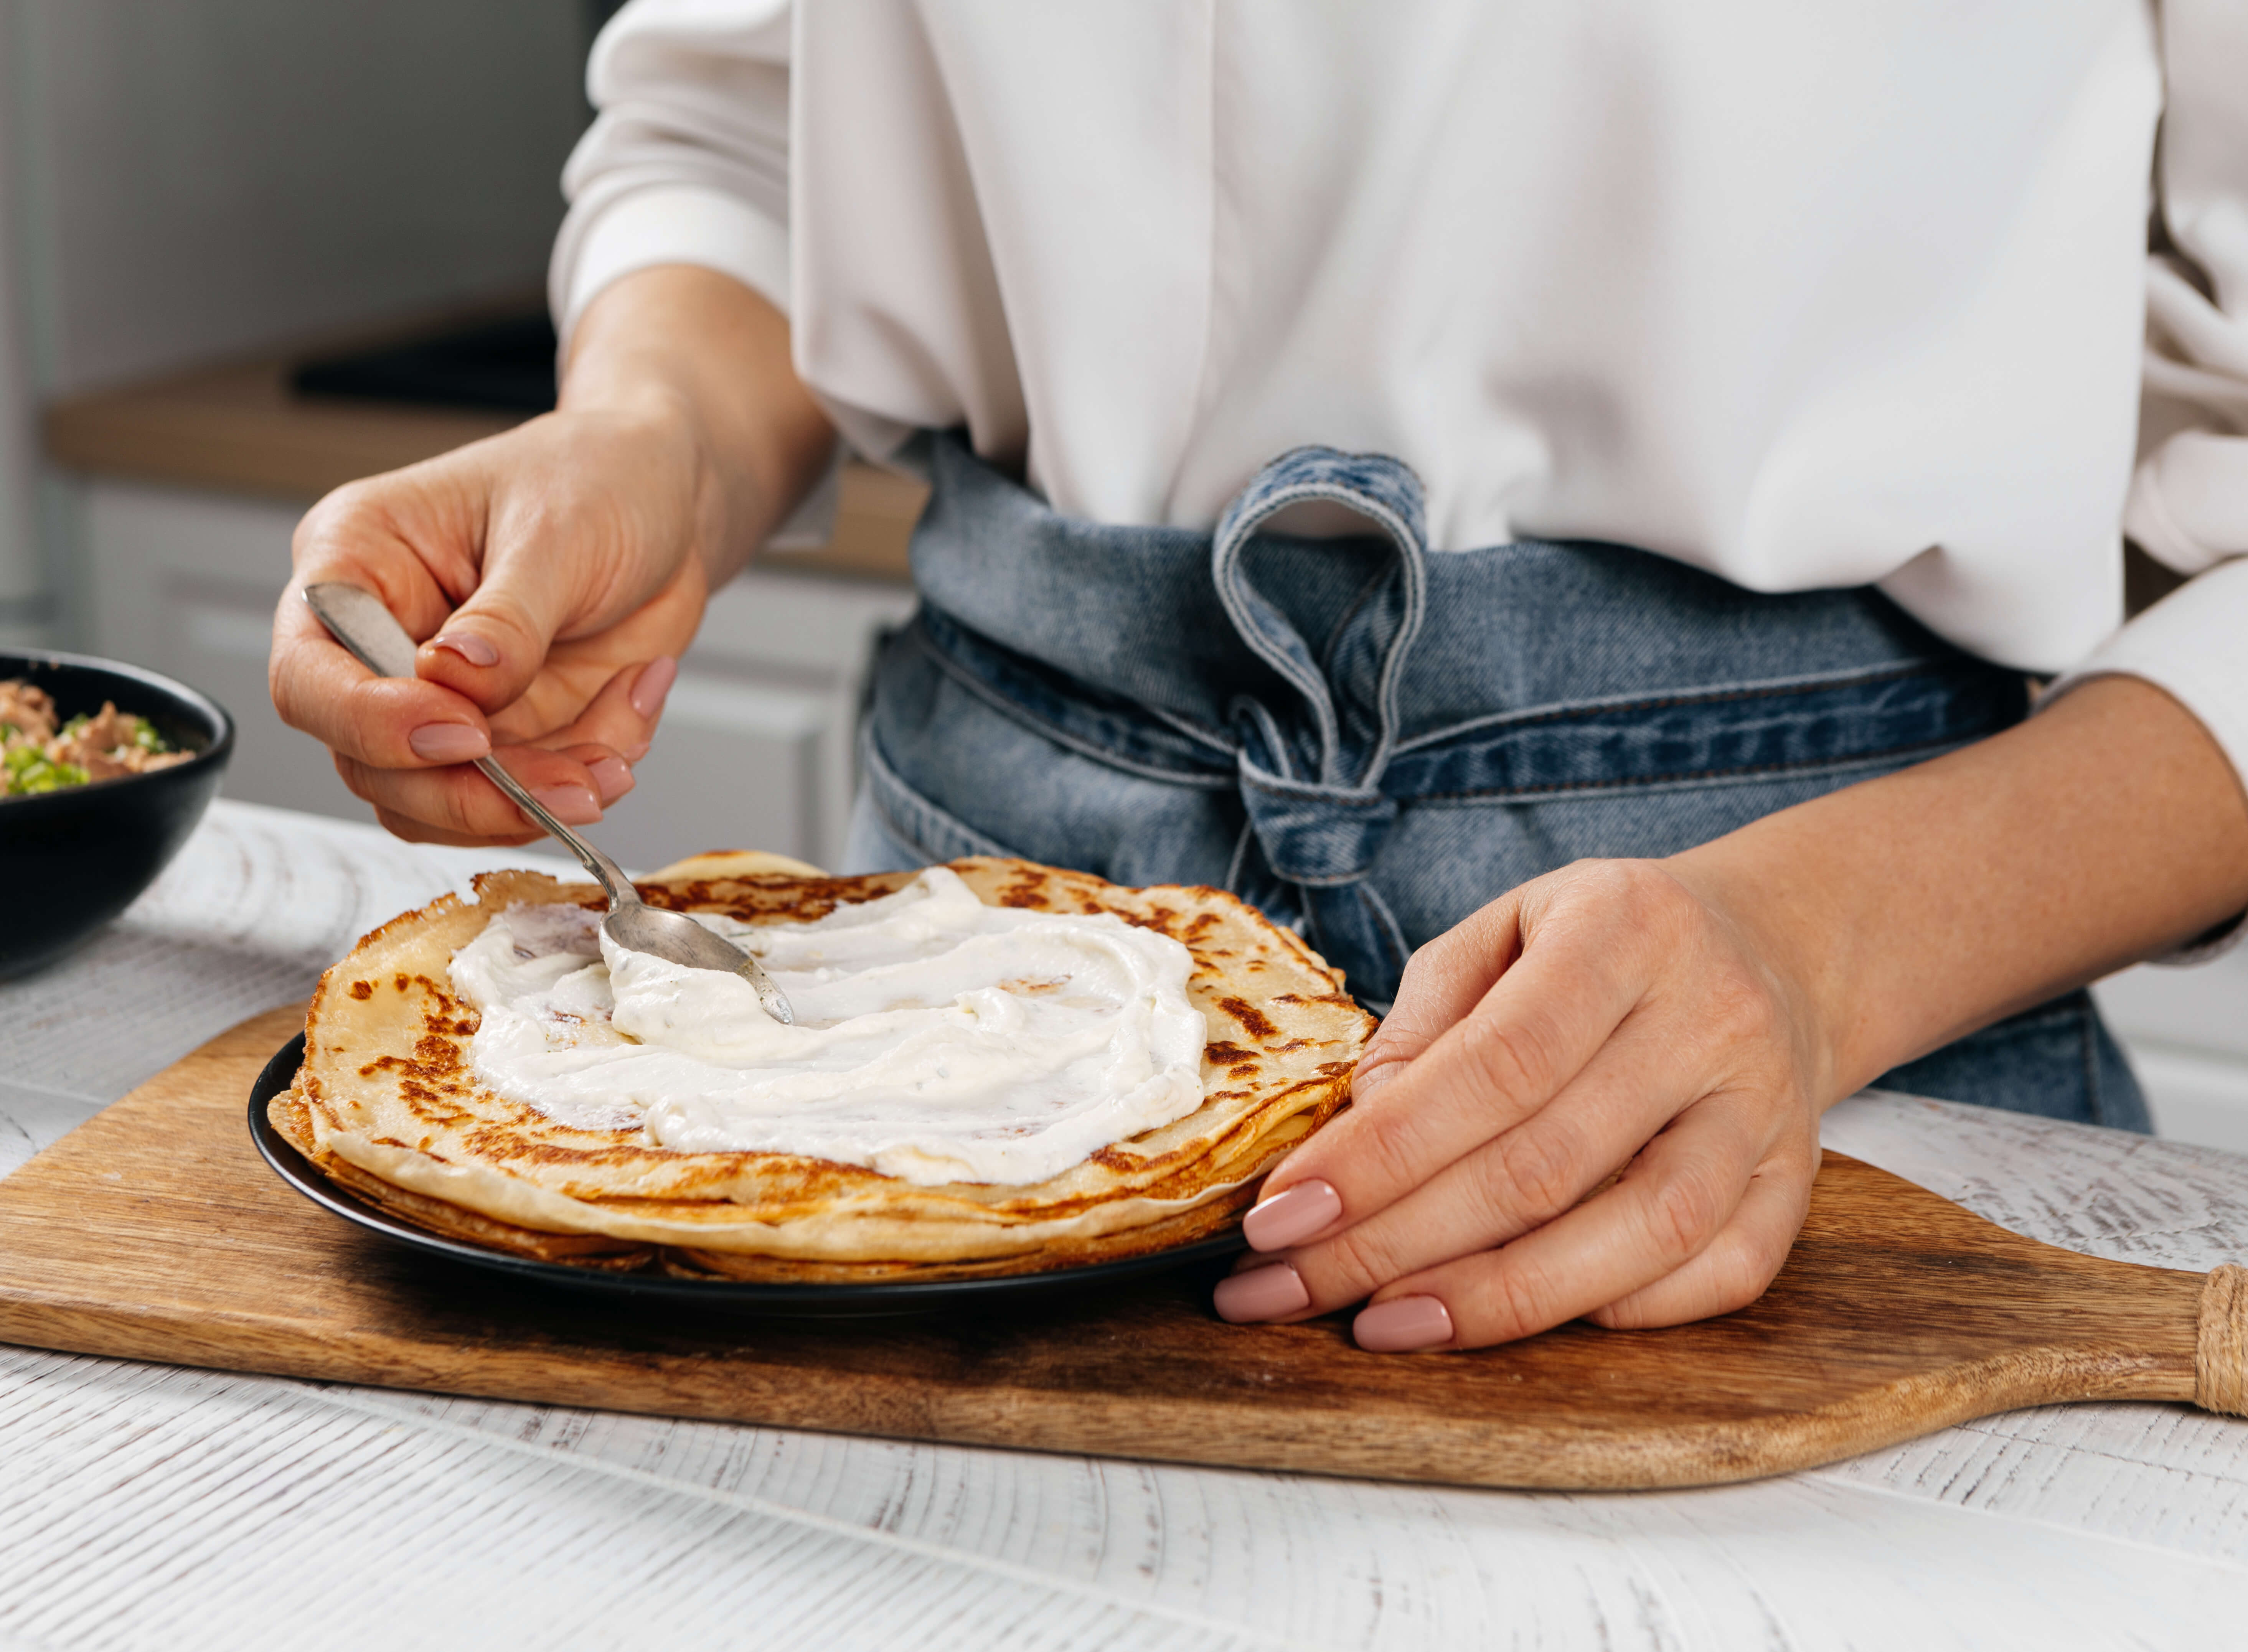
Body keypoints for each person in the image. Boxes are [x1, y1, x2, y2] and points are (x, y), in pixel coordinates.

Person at [271, 3, 2248, 1354]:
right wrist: (658, 439)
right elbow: (764, 127)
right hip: (897, 1000)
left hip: (1844, 1031)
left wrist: (1817, 961)